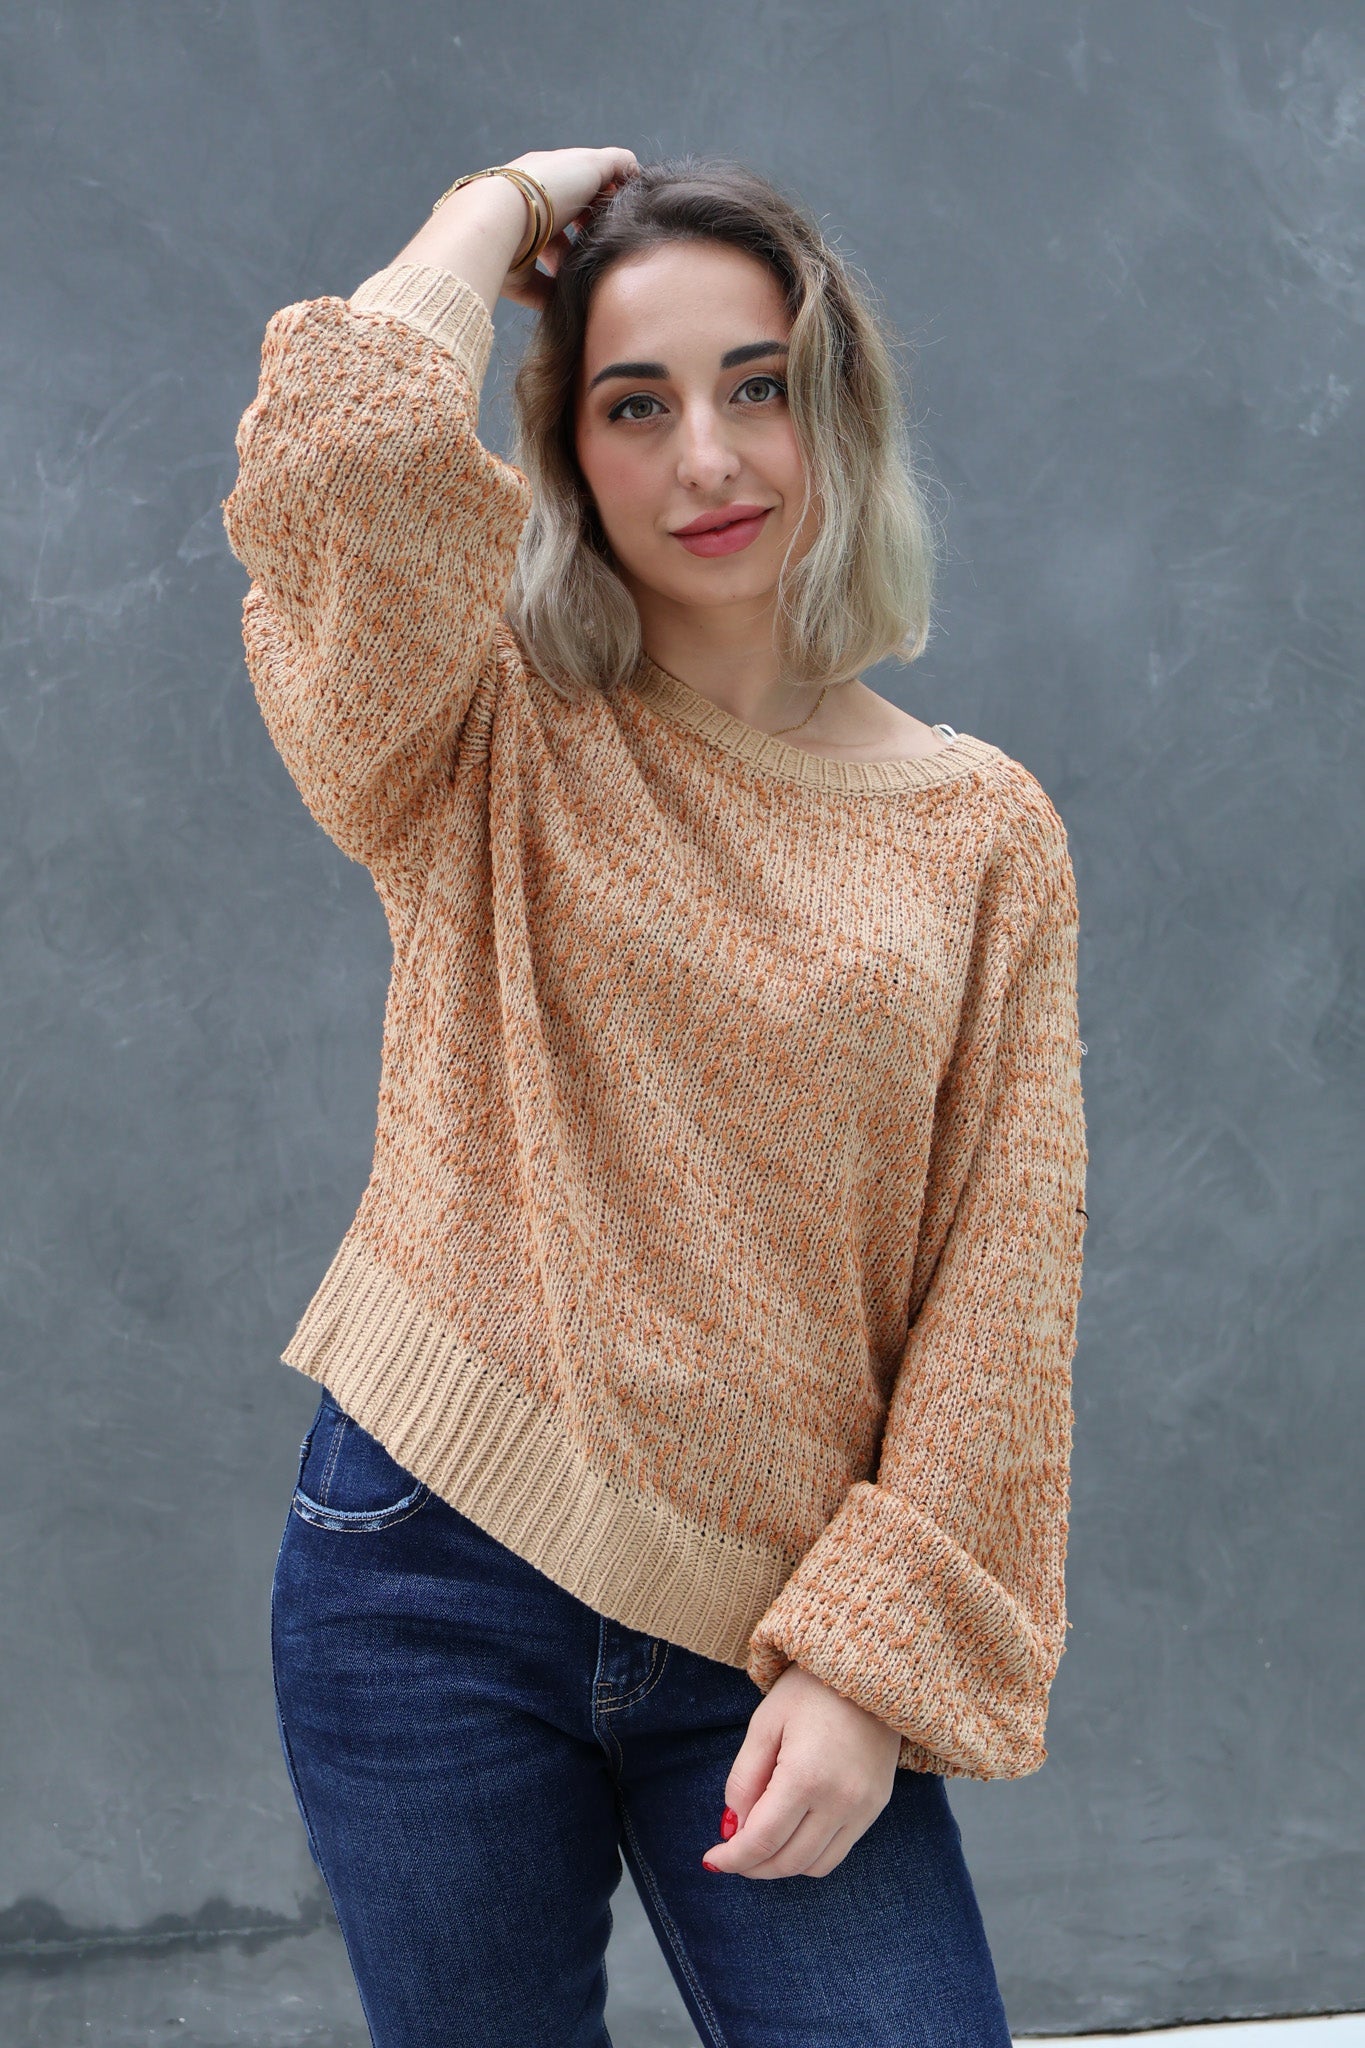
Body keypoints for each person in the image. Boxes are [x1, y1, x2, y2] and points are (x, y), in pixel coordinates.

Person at [222, 144, 1089, 2048]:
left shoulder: (977, 834)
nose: (707, 457)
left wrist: (865, 1670)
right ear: (561, 446)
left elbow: (1000, 1289)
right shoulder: (470, 724)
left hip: (776, 1619)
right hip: (422, 1577)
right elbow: (336, 463)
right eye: (634, 404)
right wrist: (493, 208)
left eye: (755, 384)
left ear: (832, 407)